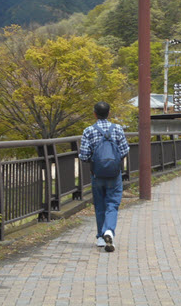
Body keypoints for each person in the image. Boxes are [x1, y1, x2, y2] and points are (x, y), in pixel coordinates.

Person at [80, 101, 129, 252]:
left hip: (97, 174)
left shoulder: (88, 131)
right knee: (112, 204)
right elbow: (125, 150)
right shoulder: (118, 129)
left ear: (95, 113)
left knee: (100, 205)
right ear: (109, 113)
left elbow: (83, 155)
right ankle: (109, 231)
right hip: (114, 174)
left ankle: (101, 237)